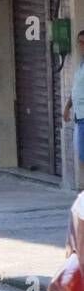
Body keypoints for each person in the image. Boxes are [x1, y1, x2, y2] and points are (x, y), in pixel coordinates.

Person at [61, 30, 84, 185]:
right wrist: (67, 107)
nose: (81, 46)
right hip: (79, 115)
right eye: (79, 42)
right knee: (82, 154)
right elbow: (76, 88)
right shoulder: (81, 64)